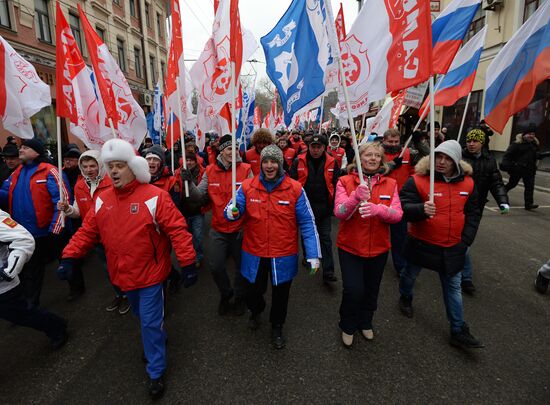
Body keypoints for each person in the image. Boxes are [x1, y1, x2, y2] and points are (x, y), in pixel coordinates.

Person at [58, 138, 196, 399]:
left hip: (151, 275)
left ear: (134, 167)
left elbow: (178, 229)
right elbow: (87, 232)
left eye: (120, 166)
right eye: (110, 166)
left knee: (150, 322)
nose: (114, 171)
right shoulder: (102, 199)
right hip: (122, 276)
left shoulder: (156, 197)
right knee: (143, 318)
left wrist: (187, 262)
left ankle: (156, 371)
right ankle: (155, 336)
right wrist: (69, 257)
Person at [226, 145, 321, 349]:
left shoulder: (295, 188)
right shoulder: (247, 186)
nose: (269, 165)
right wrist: (232, 212)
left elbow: (307, 222)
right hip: (254, 252)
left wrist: (313, 254)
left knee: (281, 295)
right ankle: (256, 309)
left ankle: (277, 325)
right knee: (252, 292)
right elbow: (233, 208)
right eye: (266, 161)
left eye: (274, 161)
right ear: (260, 164)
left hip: (283, 254)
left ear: (280, 164)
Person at [398, 140, 484, 349]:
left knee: (454, 287)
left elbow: (473, 214)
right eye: (439, 157)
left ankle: (458, 329)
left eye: (447, 158)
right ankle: (405, 297)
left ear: (456, 161)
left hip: (453, 247)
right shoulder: (417, 180)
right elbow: (402, 206)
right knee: (409, 275)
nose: (442, 162)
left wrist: (465, 241)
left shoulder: (469, 184)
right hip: (421, 243)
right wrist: (420, 209)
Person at [334, 142, 402, 347]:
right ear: (359, 159)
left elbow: (397, 215)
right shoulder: (344, 181)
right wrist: (355, 197)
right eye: (368, 155)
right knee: (353, 290)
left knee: (371, 289)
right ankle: (347, 324)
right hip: (350, 247)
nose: (372, 159)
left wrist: (378, 210)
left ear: (382, 160)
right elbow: (340, 212)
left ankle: (366, 321)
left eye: (376, 156)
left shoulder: (391, 184)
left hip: (378, 248)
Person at [185, 134, 252, 316]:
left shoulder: (246, 169)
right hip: (218, 229)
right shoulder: (210, 171)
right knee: (216, 266)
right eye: (229, 148)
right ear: (222, 151)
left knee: (241, 266)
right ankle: (225, 293)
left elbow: (253, 196)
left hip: (240, 229)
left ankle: (239, 296)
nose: (233, 152)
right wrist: (188, 182)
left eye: (235, 148)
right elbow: (198, 195)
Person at [56, 151, 129, 313]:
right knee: (108, 268)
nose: (89, 169)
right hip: (96, 238)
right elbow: (78, 212)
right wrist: (68, 209)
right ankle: (119, 294)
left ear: (100, 165)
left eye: (93, 166)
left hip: (114, 235)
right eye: (85, 166)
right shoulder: (79, 185)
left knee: (122, 267)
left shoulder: (112, 182)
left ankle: (129, 295)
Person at [0, 138, 69, 309]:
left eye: (24, 147)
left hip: (50, 231)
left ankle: (76, 286)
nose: (20, 150)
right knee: (32, 272)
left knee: (66, 259)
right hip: (27, 234)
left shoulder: (50, 171)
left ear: (36, 152)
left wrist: (56, 227)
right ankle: (31, 305)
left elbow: (62, 199)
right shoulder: (16, 173)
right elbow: (4, 193)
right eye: (20, 147)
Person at [0, 209, 68, 349]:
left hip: (4, 287)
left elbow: (23, 238)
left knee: (22, 314)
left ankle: (56, 326)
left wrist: (8, 270)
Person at [461, 129, 509, 294]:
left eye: (475, 141)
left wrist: (503, 201)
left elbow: (496, 183)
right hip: (457, 206)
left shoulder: (489, 160)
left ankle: (465, 278)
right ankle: (461, 274)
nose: (471, 144)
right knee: (459, 242)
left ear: (482, 143)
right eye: (469, 141)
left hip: (475, 208)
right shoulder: (458, 157)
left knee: (465, 242)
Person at [290, 134, 339, 284]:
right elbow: (291, 183)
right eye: (313, 147)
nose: (316, 150)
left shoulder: (332, 162)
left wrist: (333, 205)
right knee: (307, 235)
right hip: (305, 207)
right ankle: (307, 256)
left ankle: (328, 271)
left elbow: (337, 184)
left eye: (319, 147)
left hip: (324, 207)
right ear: (308, 147)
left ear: (324, 148)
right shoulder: (299, 160)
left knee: (325, 239)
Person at [382, 128, 417, 276]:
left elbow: (413, 172)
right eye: (390, 141)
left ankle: (400, 266)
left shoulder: (407, 153)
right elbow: (374, 170)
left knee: (399, 235)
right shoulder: (378, 152)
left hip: (400, 198)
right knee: (380, 233)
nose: (393, 144)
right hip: (382, 196)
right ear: (384, 141)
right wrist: (389, 166)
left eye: (396, 141)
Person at [501, 124, 543, 210]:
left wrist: (544, 155)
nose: (531, 136)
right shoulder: (517, 144)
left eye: (533, 134)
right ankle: (501, 194)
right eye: (529, 134)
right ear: (524, 134)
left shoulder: (534, 144)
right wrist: (506, 165)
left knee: (529, 187)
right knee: (512, 184)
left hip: (530, 170)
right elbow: (507, 156)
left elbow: (536, 156)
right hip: (517, 169)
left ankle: (528, 205)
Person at [178, 152, 206, 269]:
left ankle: (198, 256)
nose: (188, 162)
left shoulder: (202, 172)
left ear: (196, 161)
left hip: (197, 211)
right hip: (183, 211)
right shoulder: (177, 173)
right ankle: (188, 258)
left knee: (198, 237)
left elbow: (202, 193)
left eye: (191, 160)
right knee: (187, 237)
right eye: (186, 160)